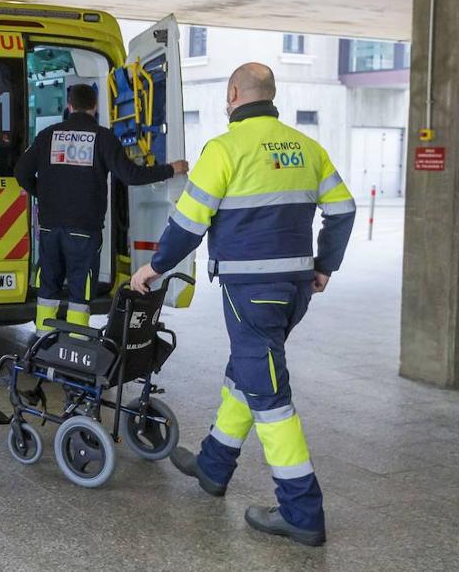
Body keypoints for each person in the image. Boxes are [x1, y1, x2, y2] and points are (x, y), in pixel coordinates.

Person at [130, 62, 355, 547]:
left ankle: (301, 512)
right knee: (248, 372)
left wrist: (153, 268)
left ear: (233, 93)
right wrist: (324, 265)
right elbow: (343, 209)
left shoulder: (225, 149)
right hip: (293, 290)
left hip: (251, 291)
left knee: (270, 397)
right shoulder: (306, 146)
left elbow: (189, 223)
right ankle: (213, 466)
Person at [14, 83, 186, 333]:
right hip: (84, 230)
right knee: (79, 292)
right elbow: (131, 175)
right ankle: (76, 345)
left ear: (69, 106)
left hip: (50, 227)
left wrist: (43, 192)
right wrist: (171, 169)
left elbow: (21, 172)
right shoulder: (103, 137)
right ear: (94, 107)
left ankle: (43, 342)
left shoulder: (48, 135)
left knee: (48, 286)